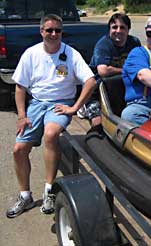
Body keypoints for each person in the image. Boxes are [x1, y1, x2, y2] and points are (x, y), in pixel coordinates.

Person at [6, 14, 97, 218]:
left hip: (61, 104)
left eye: (57, 30)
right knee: (18, 149)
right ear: (41, 32)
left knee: (51, 134)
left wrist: (74, 107)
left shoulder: (71, 54)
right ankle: (25, 196)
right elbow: (20, 87)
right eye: (49, 30)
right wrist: (22, 116)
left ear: (62, 32)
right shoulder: (31, 54)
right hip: (36, 104)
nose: (54, 34)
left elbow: (90, 80)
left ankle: (49, 191)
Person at [77, 13, 141, 132]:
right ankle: (85, 106)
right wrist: (127, 71)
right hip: (98, 88)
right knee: (98, 124)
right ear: (109, 29)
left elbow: (141, 65)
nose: (118, 31)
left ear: (128, 30)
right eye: (114, 27)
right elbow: (103, 71)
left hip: (123, 85)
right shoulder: (103, 45)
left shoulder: (134, 42)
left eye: (122, 27)